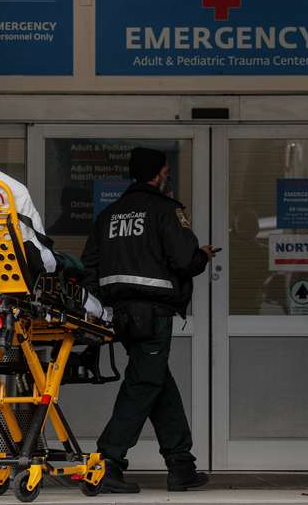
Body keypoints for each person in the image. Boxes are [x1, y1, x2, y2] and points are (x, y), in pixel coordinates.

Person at [81, 147, 215, 493]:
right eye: (167, 171)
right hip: (153, 314)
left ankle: (180, 463)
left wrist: (106, 306)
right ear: (157, 174)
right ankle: (108, 463)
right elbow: (184, 261)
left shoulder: (108, 215)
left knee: (156, 381)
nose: (168, 177)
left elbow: (89, 267)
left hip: (120, 316)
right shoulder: (166, 211)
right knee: (143, 384)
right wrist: (202, 255)